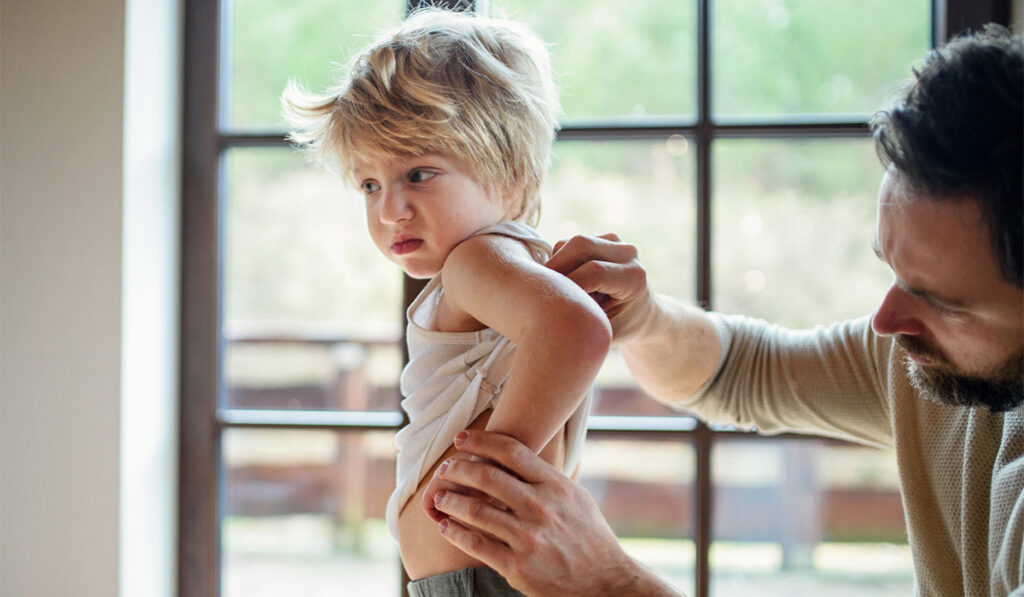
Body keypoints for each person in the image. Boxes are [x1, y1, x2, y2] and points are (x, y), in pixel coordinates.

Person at [426, 24, 1024, 597]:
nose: (886, 322)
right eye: (890, 269)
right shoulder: (925, 357)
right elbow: (744, 371)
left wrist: (611, 584)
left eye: (943, 303)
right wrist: (648, 320)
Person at [281, 8, 611, 596]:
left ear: (508, 176)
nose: (390, 211)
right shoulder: (507, 269)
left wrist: (485, 480)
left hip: (481, 577)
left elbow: (576, 329)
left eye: (420, 174)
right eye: (370, 184)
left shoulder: (477, 262)